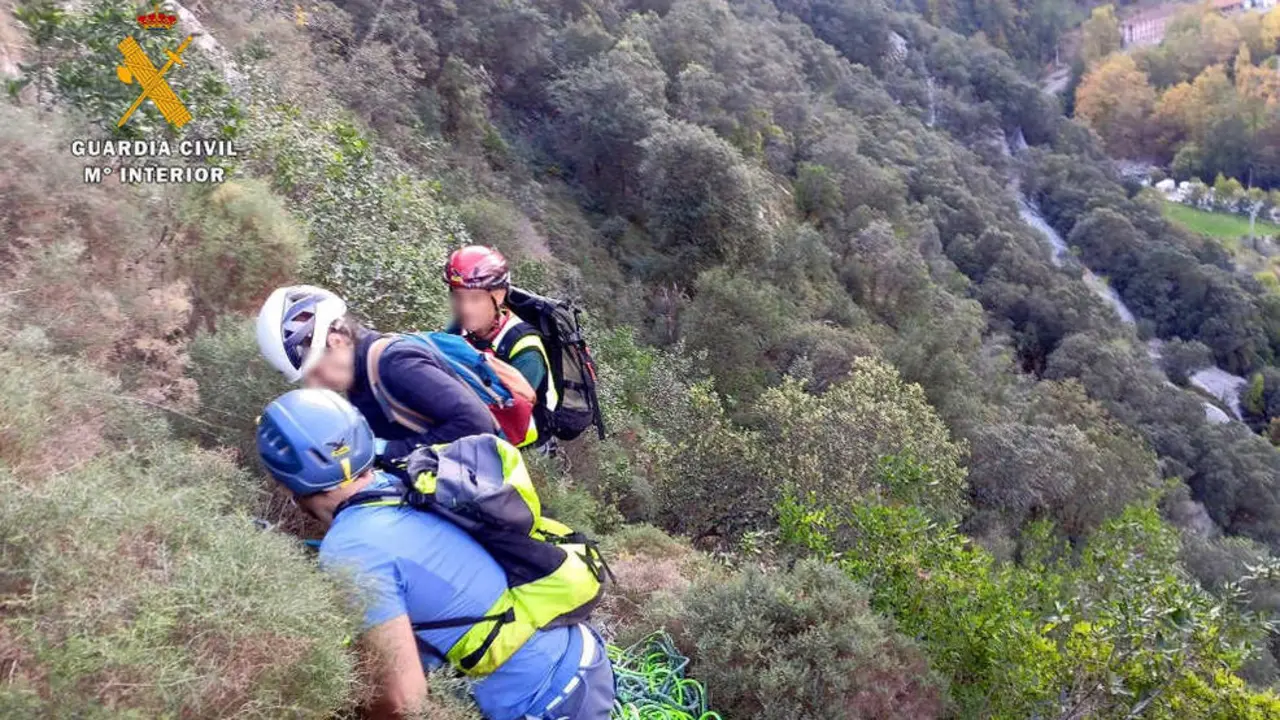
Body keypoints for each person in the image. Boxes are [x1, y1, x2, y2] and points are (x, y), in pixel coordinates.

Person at [256, 388, 616, 720]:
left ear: (289, 484)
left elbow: (403, 703)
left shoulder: (350, 548)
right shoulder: (406, 480)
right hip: (583, 659)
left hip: (545, 703)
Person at [256, 285, 497, 465]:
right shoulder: (359, 379)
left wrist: (386, 451)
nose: (314, 385)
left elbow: (477, 424)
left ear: (337, 341)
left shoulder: (396, 365)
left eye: (315, 372)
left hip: (488, 499)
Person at [444, 247, 558, 441]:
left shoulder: (526, 351)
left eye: (475, 298)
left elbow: (511, 414)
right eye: (458, 296)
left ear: (498, 295)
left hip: (519, 444)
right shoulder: (461, 328)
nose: (465, 308)